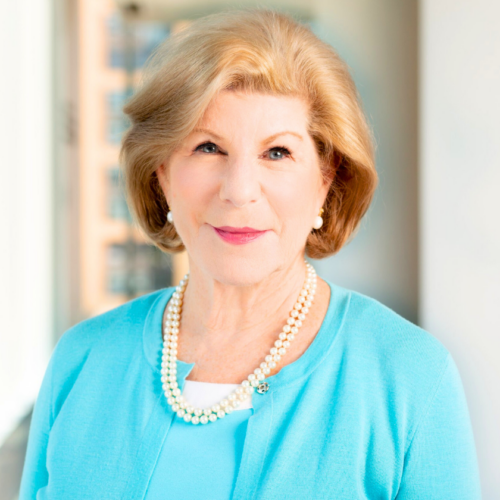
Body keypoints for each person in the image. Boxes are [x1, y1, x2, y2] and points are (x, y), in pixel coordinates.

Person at [19, 8, 482, 500]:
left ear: (327, 178)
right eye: (207, 147)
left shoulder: (409, 378)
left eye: (277, 153)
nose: (239, 190)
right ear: (161, 172)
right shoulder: (82, 361)